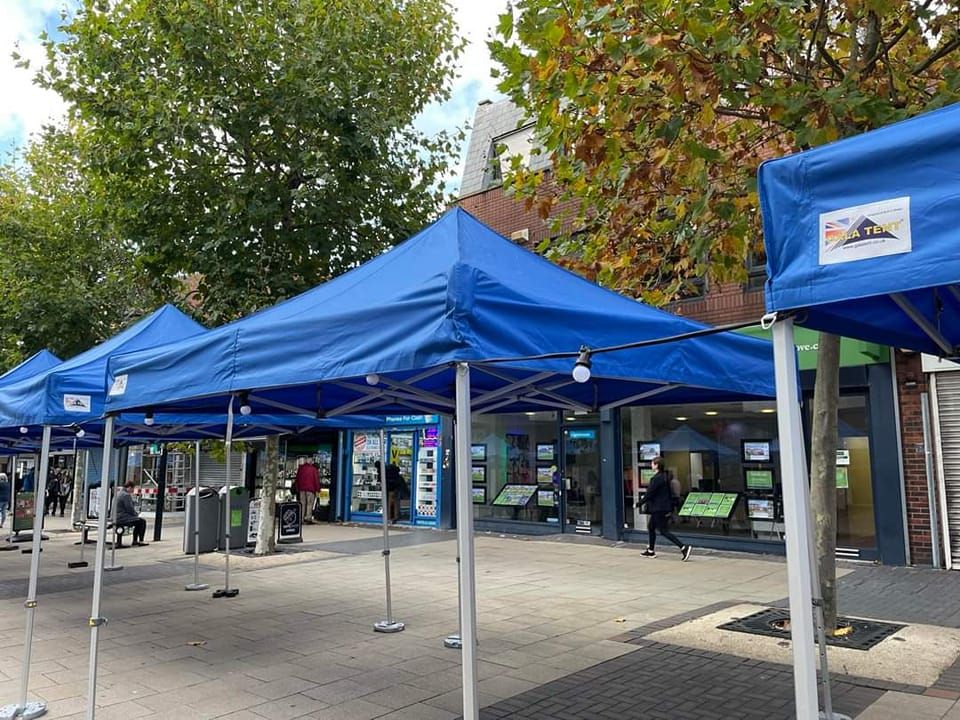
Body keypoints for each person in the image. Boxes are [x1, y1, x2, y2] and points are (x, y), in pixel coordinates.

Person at [641, 457, 691, 561]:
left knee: (663, 530)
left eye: (652, 463)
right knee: (651, 527)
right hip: (662, 507)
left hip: (658, 508)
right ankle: (650, 550)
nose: (651, 465)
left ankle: (683, 547)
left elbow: (650, 493)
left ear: (657, 465)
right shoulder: (665, 477)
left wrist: (639, 503)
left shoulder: (657, 478)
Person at [115, 480, 148, 546]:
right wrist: (136, 514)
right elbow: (129, 508)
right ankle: (139, 541)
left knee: (138, 521)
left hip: (116, 516)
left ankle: (135, 541)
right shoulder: (126, 495)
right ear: (129, 487)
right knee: (142, 521)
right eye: (133, 489)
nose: (133, 491)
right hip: (121, 517)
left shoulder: (119, 493)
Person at [294, 458, 321, 524]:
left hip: (302, 489)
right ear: (311, 462)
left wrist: (297, 488)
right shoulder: (314, 470)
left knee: (302, 504)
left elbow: (297, 479)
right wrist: (318, 489)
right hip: (311, 489)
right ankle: (308, 518)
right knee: (309, 504)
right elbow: (316, 480)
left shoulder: (301, 469)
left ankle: (301, 518)